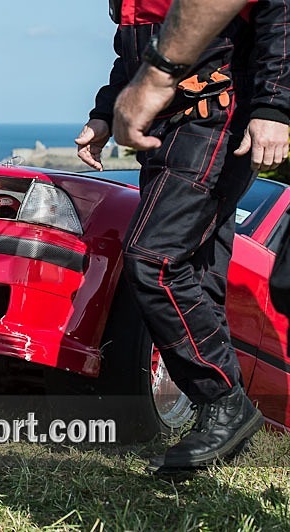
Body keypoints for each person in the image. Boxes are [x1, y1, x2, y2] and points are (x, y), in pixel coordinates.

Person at [76, 0, 290, 469]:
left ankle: (224, 402)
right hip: (166, 129)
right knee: (198, 272)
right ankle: (218, 430)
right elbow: (133, 50)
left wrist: (275, 105)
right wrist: (105, 113)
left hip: (216, 117)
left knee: (153, 259)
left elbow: (280, 11)